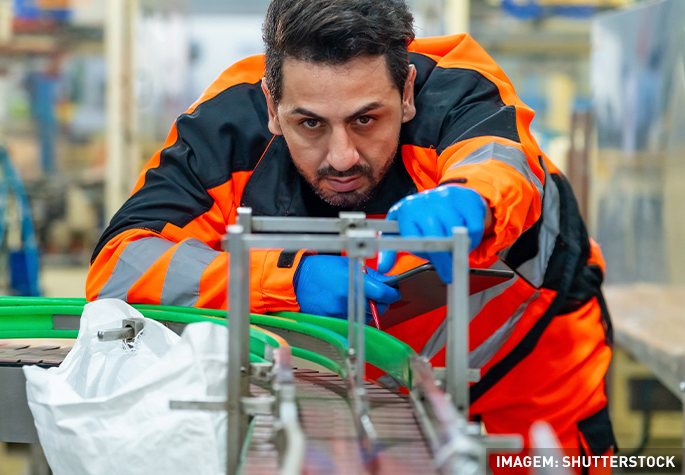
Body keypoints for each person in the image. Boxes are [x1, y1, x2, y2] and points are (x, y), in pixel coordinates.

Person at [87, 0, 615, 471]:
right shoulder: (225, 134)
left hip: (524, 395)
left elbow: (499, 164)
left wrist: (474, 200)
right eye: (310, 124)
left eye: (366, 119)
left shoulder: (458, 93)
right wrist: (286, 280)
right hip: (335, 399)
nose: (342, 157)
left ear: (407, 92)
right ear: (272, 107)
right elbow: (119, 264)